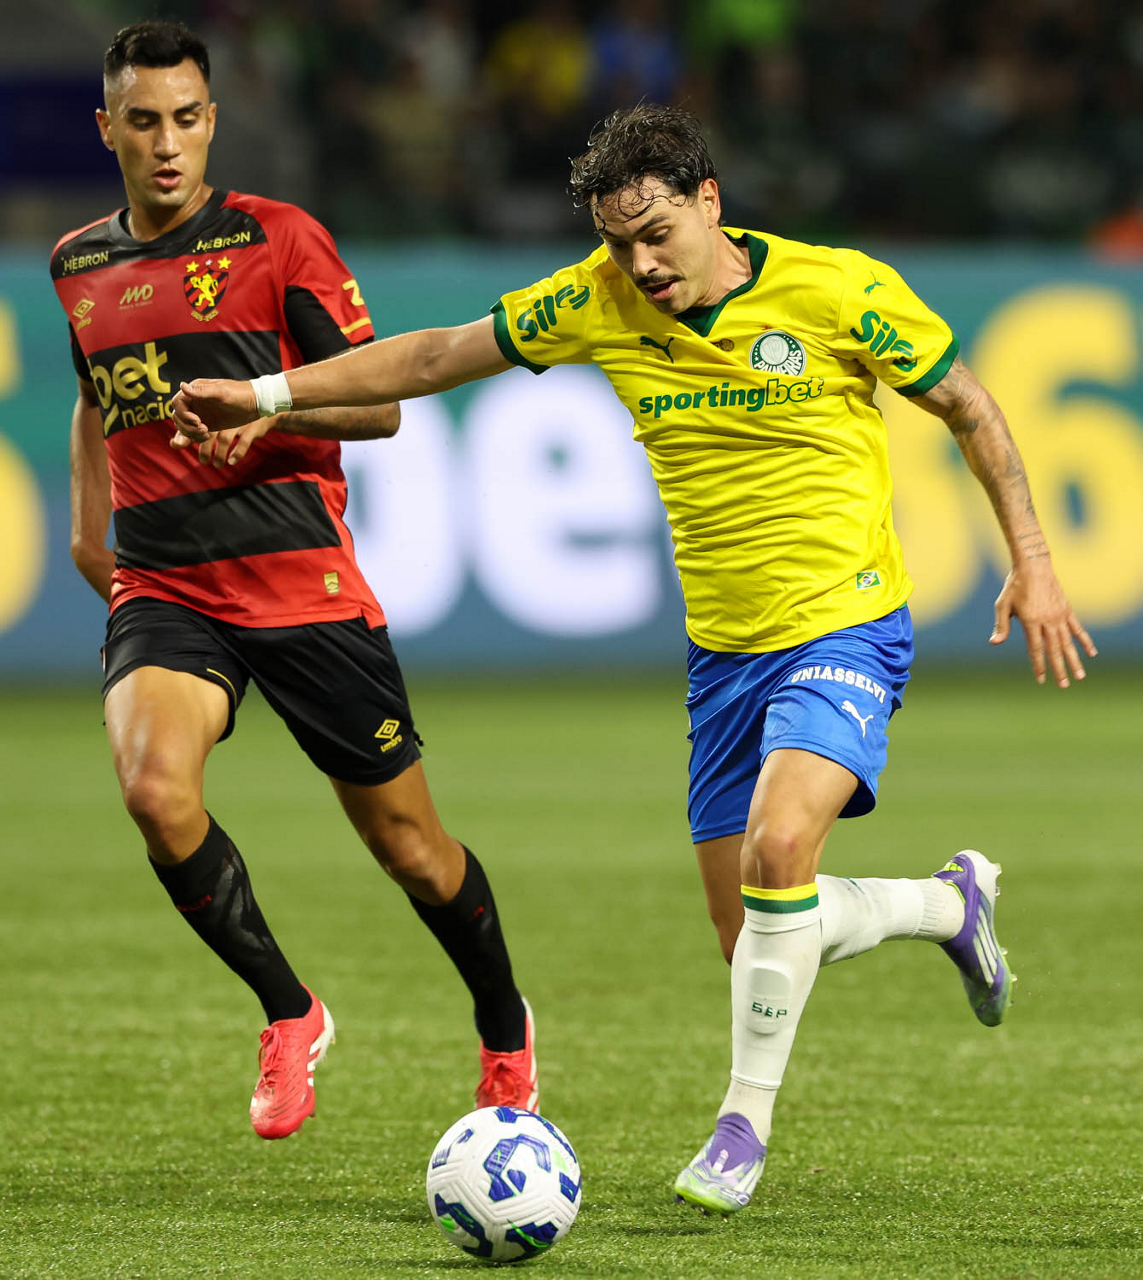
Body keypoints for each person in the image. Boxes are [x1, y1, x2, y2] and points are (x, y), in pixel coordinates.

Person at [173, 104, 1095, 1205]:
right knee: (754, 936)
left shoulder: (839, 289)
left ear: (709, 201)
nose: (641, 264)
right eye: (618, 243)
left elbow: (970, 408)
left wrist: (1033, 561)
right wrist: (269, 394)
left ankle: (739, 1130)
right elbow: (434, 354)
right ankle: (948, 906)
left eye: (656, 233)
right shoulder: (595, 301)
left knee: (780, 848)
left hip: (846, 624)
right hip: (725, 655)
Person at [51, 19, 537, 1143]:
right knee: (154, 792)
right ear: (107, 129)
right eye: (142, 121)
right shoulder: (78, 264)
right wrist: (89, 531)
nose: (166, 143)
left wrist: (266, 413)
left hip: (298, 583)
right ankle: (289, 1008)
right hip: (168, 585)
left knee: (411, 849)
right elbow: (92, 395)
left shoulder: (279, 240)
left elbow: (381, 406)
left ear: (212, 120)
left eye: (186, 119)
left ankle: (504, 1024)